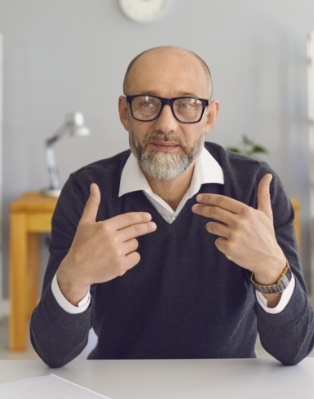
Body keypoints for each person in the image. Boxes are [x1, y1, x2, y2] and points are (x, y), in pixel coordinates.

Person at [30, 46, 314, 368]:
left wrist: (271, 269)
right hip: (117, 384)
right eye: (147, 103)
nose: (166, 124)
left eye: (188, 105)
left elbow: (295, 349)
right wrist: (74, 277)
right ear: (125, 112)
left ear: (210, 116)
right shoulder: (87, 192)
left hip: (229, 386)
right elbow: (53, 354)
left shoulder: (255, 188)